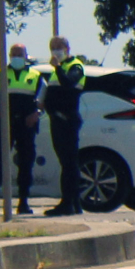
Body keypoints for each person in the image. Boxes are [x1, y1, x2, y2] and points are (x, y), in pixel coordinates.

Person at [0, 42, 44, 212]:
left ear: (26, 56)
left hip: (26, 125)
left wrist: (37, 114)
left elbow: (44, 99)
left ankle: (23, 202)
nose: (16, 57)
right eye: (14, 54)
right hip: (6, 124)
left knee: (26, 163)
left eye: (20, 54)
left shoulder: (36, 75)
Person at [40, 37, 90, 215]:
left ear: (67, 48)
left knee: (69, 163)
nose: (55, 51)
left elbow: (68, 83)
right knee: (66, 163)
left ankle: (69, 203)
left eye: (58, 47)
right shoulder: (56, 69)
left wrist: (58, 68)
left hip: (67, 119)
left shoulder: (74, 66)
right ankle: (73, 202)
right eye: (52, 47)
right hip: (56, 120)